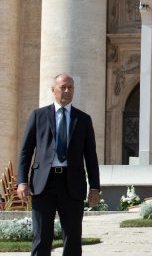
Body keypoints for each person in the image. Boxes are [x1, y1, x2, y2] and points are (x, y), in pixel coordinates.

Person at [17, 74, 101, 256]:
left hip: (72, 183)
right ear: (53, 90)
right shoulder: (38, 116)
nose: (67, 91)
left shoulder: (83, 119)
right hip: (43, 184)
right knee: (41, 237)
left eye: (70, 87)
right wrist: (22, 181)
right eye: (63, 87)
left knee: (72, 237)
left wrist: (95, 187)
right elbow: (26, 151)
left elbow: (91, 156)